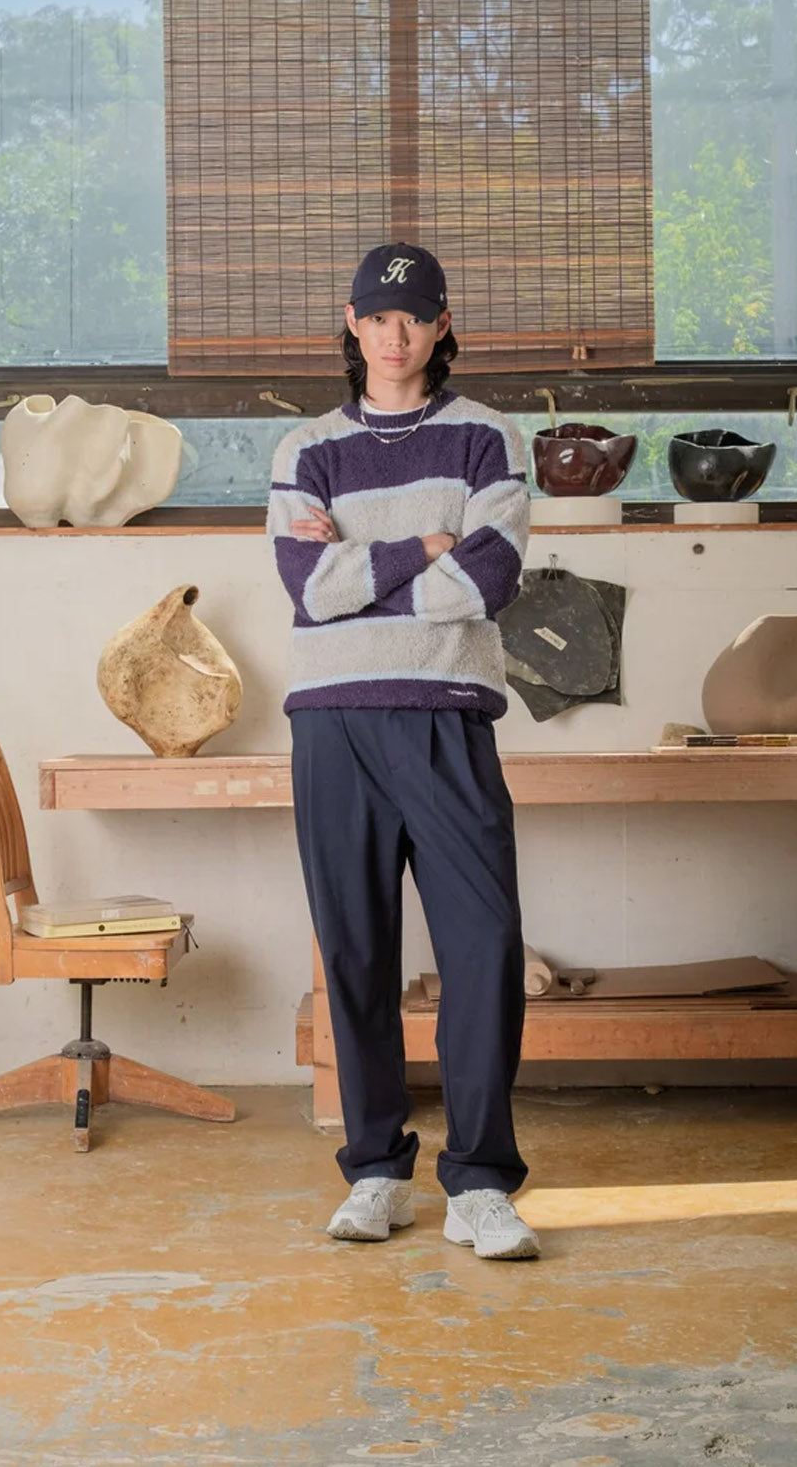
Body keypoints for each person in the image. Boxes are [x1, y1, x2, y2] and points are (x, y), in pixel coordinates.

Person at [266, 241, 538, 1260]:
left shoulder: (487, 438)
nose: (394, 335)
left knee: (484, 946)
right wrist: (425, 545)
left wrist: (363, 576)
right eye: (377, 317)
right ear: (352, 323)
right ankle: (376, 1169)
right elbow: (308, 588)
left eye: (413, 317)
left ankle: (480, 1182)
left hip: (446, 711)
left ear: (440, 326)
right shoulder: (306, 450)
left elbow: (489, 578)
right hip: (331, 720)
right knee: (354, 951)